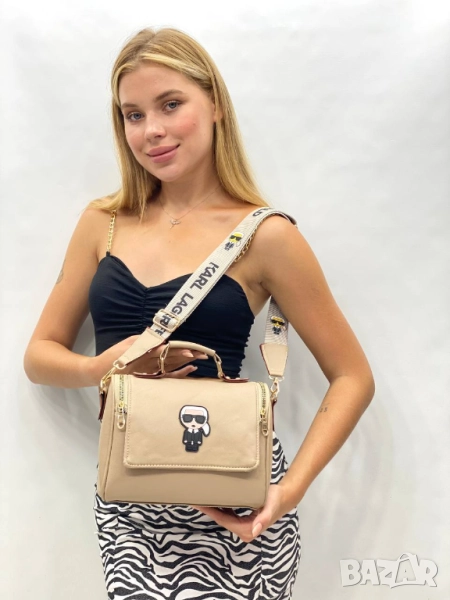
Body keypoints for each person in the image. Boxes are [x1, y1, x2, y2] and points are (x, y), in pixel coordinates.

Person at [23, 26, 375, 600]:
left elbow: (353, 376)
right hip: (131, 499)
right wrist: (99, 368)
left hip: (237, 497)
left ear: (215, 104)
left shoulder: (265, 235)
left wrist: (290, 490)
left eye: (170, 104)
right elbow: (39, 357)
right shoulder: (102, 224)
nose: (152, 131)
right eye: (133, 115)